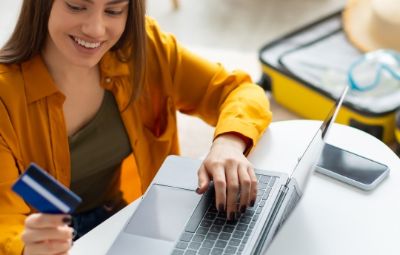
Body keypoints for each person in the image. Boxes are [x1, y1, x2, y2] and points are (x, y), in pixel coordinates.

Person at [0, 0, 271, 254]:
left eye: (114, 10)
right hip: (41, 239)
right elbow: (5, 218)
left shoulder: (144, 49)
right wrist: (25, 247)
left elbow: (238, 91)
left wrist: (228, 143)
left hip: (123, 217)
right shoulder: (5, 97)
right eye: (76, 6)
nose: (95, 29)